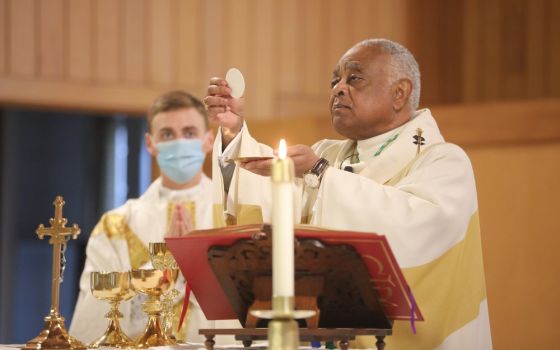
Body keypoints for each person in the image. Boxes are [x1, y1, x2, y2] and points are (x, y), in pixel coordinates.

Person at [204, 39, 492, 349]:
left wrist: (321, 173)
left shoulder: (443, 161)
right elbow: (273, 210)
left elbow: (417, 234)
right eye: (334, 81)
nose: (338, 89)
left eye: (354, 78)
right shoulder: (329, 154)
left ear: (400, 93)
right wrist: (233, 133)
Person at [69, 91, 240, 344]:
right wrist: (165, 265)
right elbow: (94, 319)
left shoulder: (233, 218)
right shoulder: (117, 224)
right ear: (150, 143)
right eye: (168, 134)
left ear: (208, 141)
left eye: (190, 133)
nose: (179, 143)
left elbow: (245, 305)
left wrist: (193, 265)